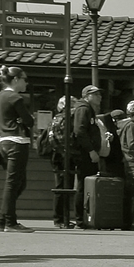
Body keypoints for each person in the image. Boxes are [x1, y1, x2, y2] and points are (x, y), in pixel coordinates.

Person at [0, 66, 35, 232]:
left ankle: (3, 220)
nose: (26, 83)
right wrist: (24, 120)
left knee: (18, 183)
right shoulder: (15, 98)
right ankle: (10, 222)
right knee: (13, 183)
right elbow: (29, 121)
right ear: (16, 79)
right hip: (17, 142)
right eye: (24, 79)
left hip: (3, 142)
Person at [70, 85, 104, 229]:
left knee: (86, 185)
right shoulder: (83, 109)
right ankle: (80, 220)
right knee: (83, 186)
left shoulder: (89, 109)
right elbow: (79, 131)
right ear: (86, 96)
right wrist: (91, 150)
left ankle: (85, 218)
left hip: (87, 153)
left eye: (99, 94)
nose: (99, 97)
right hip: (83, 153)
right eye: (95, 94)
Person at [116, 103, 134, 230]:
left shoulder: (123, 125)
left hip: (127, 160)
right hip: (132, 161)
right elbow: (132, 144)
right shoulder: (132, 125)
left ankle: (128, 220)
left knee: (130, 192)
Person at [49, 96, 74, 228]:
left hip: (57, 155)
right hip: (63, 156)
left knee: (62, 186)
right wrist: (69, 152)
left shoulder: (56, 118)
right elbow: (63, 138)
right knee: (63, 187)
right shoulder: (65, 118)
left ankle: (61, 218)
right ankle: (60, 219)